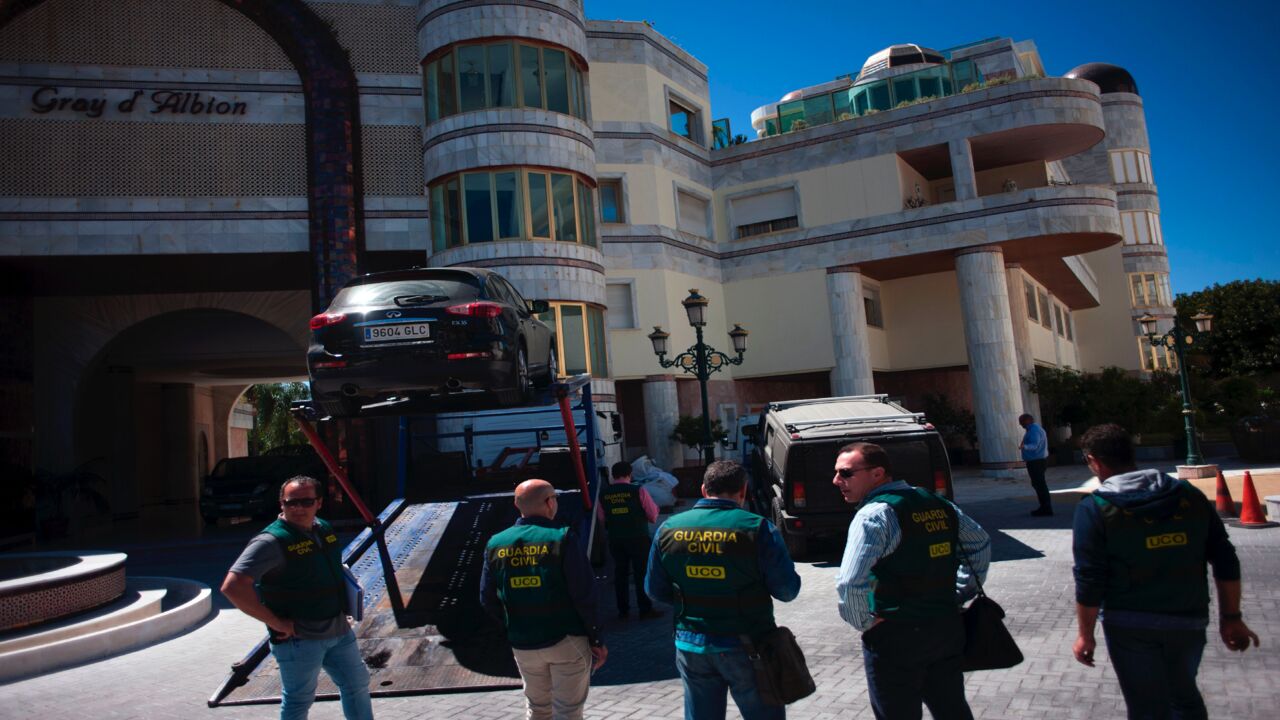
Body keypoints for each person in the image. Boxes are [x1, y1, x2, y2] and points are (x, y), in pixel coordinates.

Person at [1071, 423, 1259, 719]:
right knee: (1184, 697)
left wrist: (1085, 634)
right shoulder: (1188, 495)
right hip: (1188, 617)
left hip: (1128, 622)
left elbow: (1089, 578)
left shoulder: (1095, 508)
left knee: (1146, 707)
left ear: (1094, 461)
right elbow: (1225, 559)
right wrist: (1232, 618)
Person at [833, 442, 989, 720]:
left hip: (895, 636)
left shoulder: (874, 515)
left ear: (877, 473)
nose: (836, 481)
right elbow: (979, 544)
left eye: (845, 473)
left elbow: (848, 582)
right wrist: (958, 594)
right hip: (945, 628)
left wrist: (866, 623)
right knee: (952, 709)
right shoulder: (938, 503)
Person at [645, 460, 801, 720]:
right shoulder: (757, 528)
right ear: (743, 491)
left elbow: (654, 590)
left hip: (691, 644)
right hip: (748, 643)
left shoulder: (668, 529)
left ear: (704, 489)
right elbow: (787, 591)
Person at [221, 476, 373, 720]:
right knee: (298, 700)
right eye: (291, 503)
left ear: (319, 503)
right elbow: (233, 586)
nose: (299, 508)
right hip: (301, 639)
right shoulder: (271, 541)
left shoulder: (323, 528)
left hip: (338, 630)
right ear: (282, 503)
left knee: (357, 685)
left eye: (306, 502)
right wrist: (275, 622)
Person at [481, 479, 607, 720]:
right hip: (566, 640)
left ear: (518, 505)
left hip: (523, 643)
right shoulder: (561, 537)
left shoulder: (496, 544)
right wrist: (596, 637)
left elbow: (487, 598)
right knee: (567, 712)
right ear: (550, 503)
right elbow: (584, 594)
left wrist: (514, 625)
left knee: (537, 709)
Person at [599, 460, 663, 620]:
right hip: (638, 537)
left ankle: (623, 610)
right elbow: (652, 516)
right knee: (641, 573)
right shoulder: (638, 490)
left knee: (620, 574)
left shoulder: (603, 493)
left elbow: (601, 518)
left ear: (613, 475)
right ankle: (645, 609)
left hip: (615, 538)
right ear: (630, 474)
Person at [1019, 413, 1053, 516]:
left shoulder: (1034, 430)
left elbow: (1034, 445)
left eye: (1021, 422)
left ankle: (1046, 507)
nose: (1021, 425)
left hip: (1036, 462)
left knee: (1040, 484)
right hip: (1037, 461)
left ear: (1027, 420)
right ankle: (1045, 506)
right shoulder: (1035, 429)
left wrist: (1024, 447)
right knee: (1038, 484)